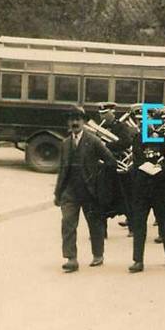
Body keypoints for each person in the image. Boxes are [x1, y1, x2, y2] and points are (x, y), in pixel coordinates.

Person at [54, 106, 117, 273]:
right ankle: (71, 259)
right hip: (69, 191)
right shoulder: (65, 143)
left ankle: (98, 254)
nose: (74, 123)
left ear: (83, 121)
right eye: (71, 119)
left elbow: (111, 161)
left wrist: (99, 180)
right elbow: (62, 170)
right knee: (68, 223)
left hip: (90, 191)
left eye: (78, 119)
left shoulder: (93, 140)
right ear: (68, 122)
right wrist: (57, 193)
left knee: (95, 224)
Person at [128, 105, 165, 273]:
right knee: (139, 223)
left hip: (160, 186)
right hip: (142, 187)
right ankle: (138, 260)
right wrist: (146, 166)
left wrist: (161, 167)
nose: (145, 124)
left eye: (147, 120)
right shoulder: (138, 138)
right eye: (141, 121)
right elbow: (136, 161)